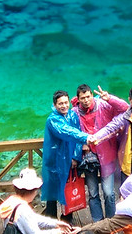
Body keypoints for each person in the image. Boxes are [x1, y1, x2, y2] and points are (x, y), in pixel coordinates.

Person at [75, 84, 130, 221]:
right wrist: (81, 144)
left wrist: (109, 98)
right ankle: (97, 222)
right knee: (93, 193)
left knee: (108, 192)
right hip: (87, 158)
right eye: (83, 98)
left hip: (107, 154)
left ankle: (111, 221)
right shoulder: (75, 112)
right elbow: (71, 132)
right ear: (78, 99)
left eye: (88, 96)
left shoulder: (103, 105)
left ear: (92, 96)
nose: (86, 100)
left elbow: (125, 108)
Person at [43, 90, 91, 220]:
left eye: (65, 103)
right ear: (54, 104)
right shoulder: (52, 120)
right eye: (60, 103)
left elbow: (77, 133)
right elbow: (67, 132)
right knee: (52, 193)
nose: (64, 106)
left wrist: (75, 156)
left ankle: (67, 218)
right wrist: (86, 137)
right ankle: (51, 220)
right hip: (54, 161)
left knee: (69, 188)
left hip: (69, 159)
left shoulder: (72, 115)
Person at [0, 168, 76, 234]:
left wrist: (55, 223)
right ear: (34, 190)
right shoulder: (23, 210)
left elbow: (33, 218)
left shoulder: (13, 200)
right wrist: (57, 232)